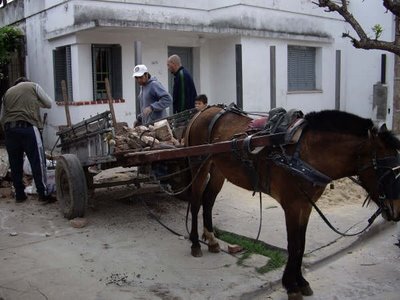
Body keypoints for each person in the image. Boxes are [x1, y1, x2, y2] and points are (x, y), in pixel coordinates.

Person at [0, 77, 55, 203]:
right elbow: (49, 103)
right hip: (28, 128)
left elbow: (2, 118)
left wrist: (8, 131)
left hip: (10, 130)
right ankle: (43, 193)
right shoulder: (33, 86)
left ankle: (19, 194)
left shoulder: (7, 93)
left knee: (15, 163)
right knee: (37, 162)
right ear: (27, 81)